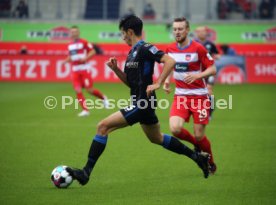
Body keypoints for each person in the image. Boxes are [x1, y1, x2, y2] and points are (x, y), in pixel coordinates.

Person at [65, 15, 210, 186]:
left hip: (143, 103)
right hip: (140, 101)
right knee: (156, 138)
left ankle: (85, 172)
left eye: (123, 33)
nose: (123, 37)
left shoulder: (145, 48)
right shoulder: (132, 52)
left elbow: (170, 61)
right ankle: (197, 157)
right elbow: (131, 83)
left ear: (130, 31)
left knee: (102, 127)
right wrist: (117, 70)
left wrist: (158, 83)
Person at [163, 17, 217, 174]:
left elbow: (212, 69)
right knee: (175, 129)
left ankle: (211, 162)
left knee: (200, 135)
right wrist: (167, 81)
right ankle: (198, 146)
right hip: (181, 96)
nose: (177, 32)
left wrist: (198, 76)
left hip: (199, 97)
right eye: (175, 29)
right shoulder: (170, 49)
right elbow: (169, 67)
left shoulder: (198, 48)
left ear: (187, 30)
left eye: (180, 29)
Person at [62, 26, 109, 117]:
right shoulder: (69, 45)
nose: (74, 33)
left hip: (84, 69)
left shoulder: (84, 42)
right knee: (77, 90)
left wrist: (85, 58)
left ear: (78, 33)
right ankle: (85, 110)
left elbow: (93, 51)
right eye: (72, 32)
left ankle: (103, 98)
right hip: (75, 70)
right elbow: (71, 56)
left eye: (75, 32)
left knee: (89, 90)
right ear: (70, 33)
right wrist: (65, 61)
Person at [195, 26, 220, 119]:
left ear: (206, 33)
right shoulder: (193, 43)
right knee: (199, 93)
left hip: (209, 70)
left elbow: (217, 53)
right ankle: (199, 111)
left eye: (203, 31)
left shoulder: (210, 44)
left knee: (209, 90)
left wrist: (216, 56)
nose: (201, 33)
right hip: (198, 71)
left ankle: (210, 113)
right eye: (199, 32)